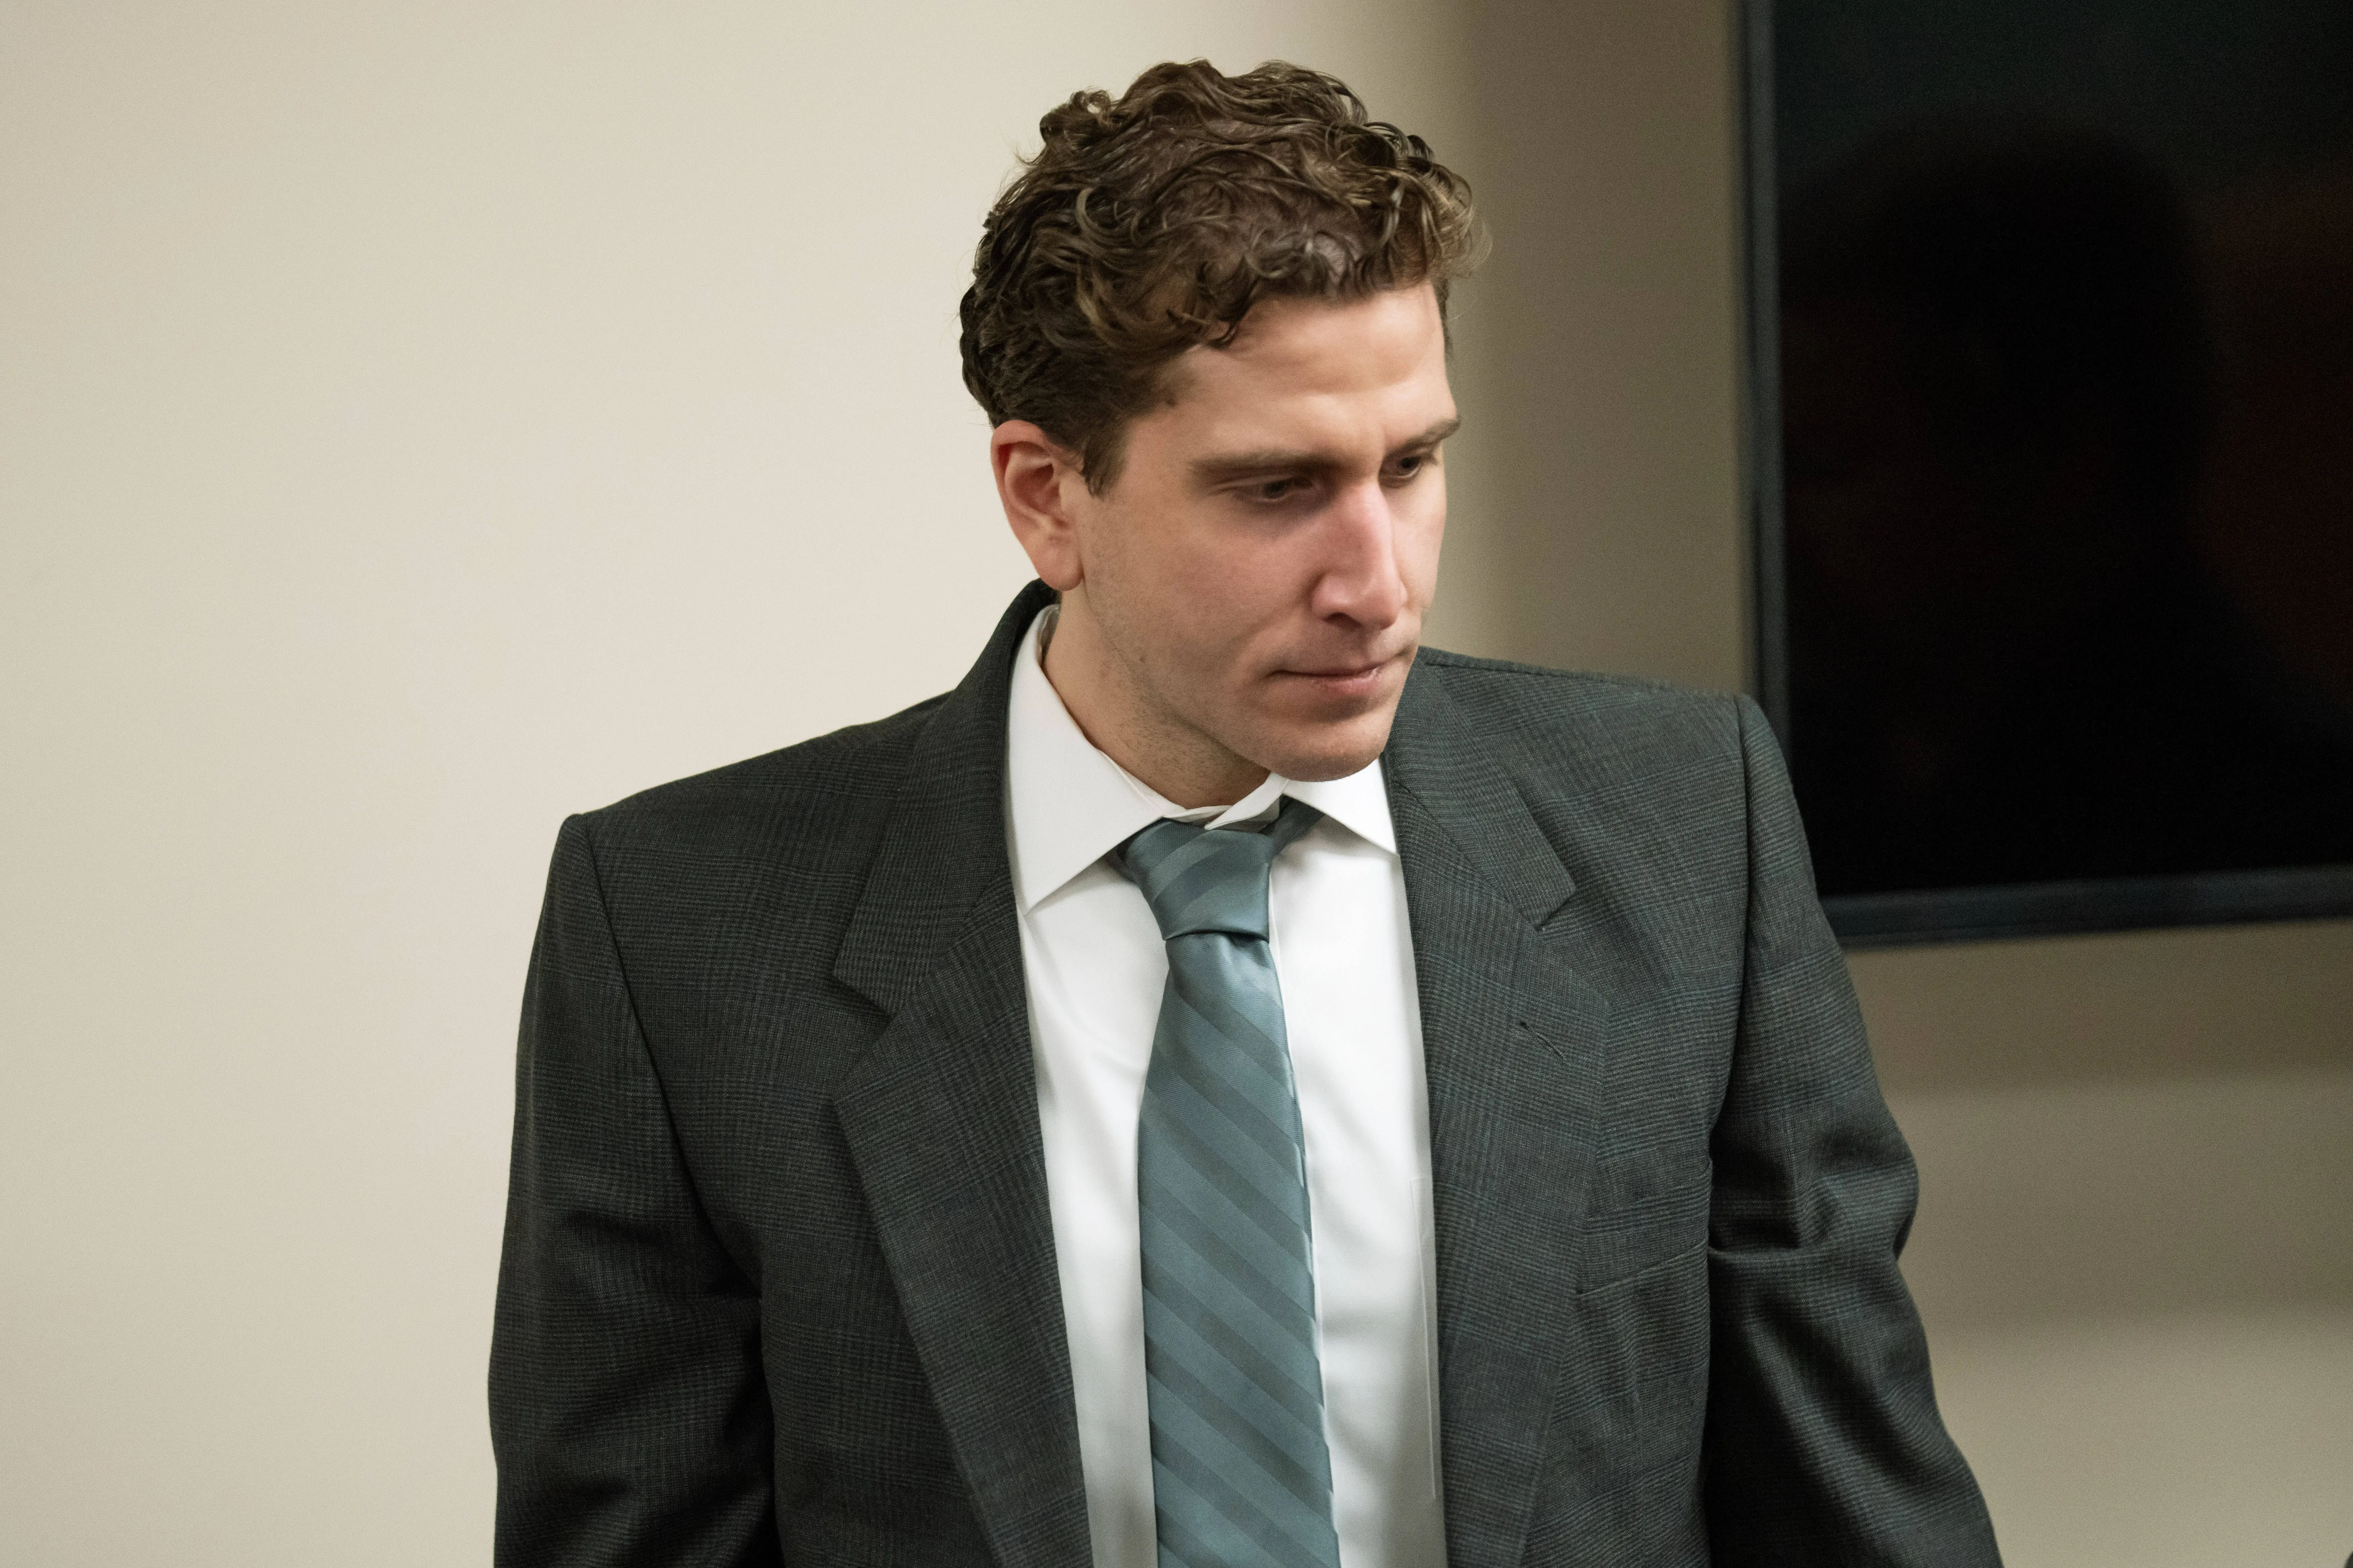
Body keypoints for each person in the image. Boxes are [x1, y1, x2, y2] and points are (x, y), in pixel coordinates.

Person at [490, 59, 1999, 1568]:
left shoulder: (1682, 823)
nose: (1380, 581)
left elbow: (1851, 1493)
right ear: (1045, 495)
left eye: (1411, 465)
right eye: (1277, 488)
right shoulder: (678, 930)